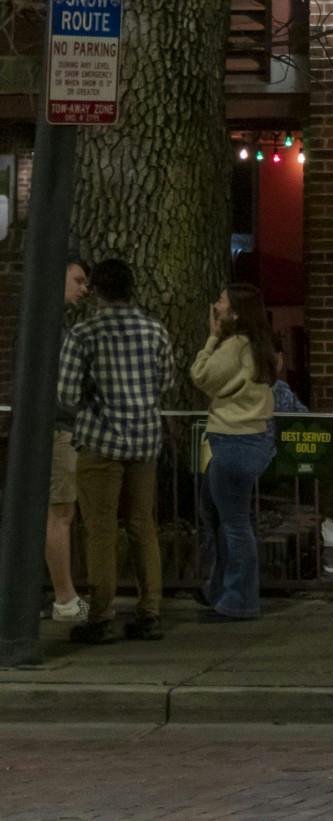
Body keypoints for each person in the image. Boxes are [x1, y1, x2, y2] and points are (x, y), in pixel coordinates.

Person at [56, 258, 173, 644]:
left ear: (97, 291)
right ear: (131, 288)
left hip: (100, 441)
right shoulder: (154, 330)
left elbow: (66, 393)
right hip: (144, 441)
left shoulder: (84, 334)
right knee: (143, 526)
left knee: (100, 530)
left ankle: (101, 616)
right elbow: (165, 382)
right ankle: (150, 612)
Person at [191, 284, 280, 621]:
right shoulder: (259, 346)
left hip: (233, 440)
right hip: (251, 438)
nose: (216, 305)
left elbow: (201, 375)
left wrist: (212, 337)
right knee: (214, 512)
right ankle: (219, 588)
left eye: (222, 301)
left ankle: (238, 601)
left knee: (233, 523)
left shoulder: (234, 345)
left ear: (236, 312)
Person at [46, 259, 92, 623]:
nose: (83, 288)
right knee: (61, 512)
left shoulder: (51, 324)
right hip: (59, 427)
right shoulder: (55, 329)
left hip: (55, 425)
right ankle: (64, 598)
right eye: (77, 280)